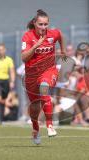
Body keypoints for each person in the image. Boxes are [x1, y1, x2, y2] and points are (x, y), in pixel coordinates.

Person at [21, 9, 66, 145]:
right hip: (31, 76)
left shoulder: (53, 34)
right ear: (35, 23)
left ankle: (50, 126)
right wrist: (35, 46)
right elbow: (23, 58)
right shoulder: (27, 37)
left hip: (49, 70)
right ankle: (35, 128)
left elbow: (60, 35)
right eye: (40, 24)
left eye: (46, 24)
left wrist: (62, 50)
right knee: (34, 107)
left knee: (45, 87)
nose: (43, 27)